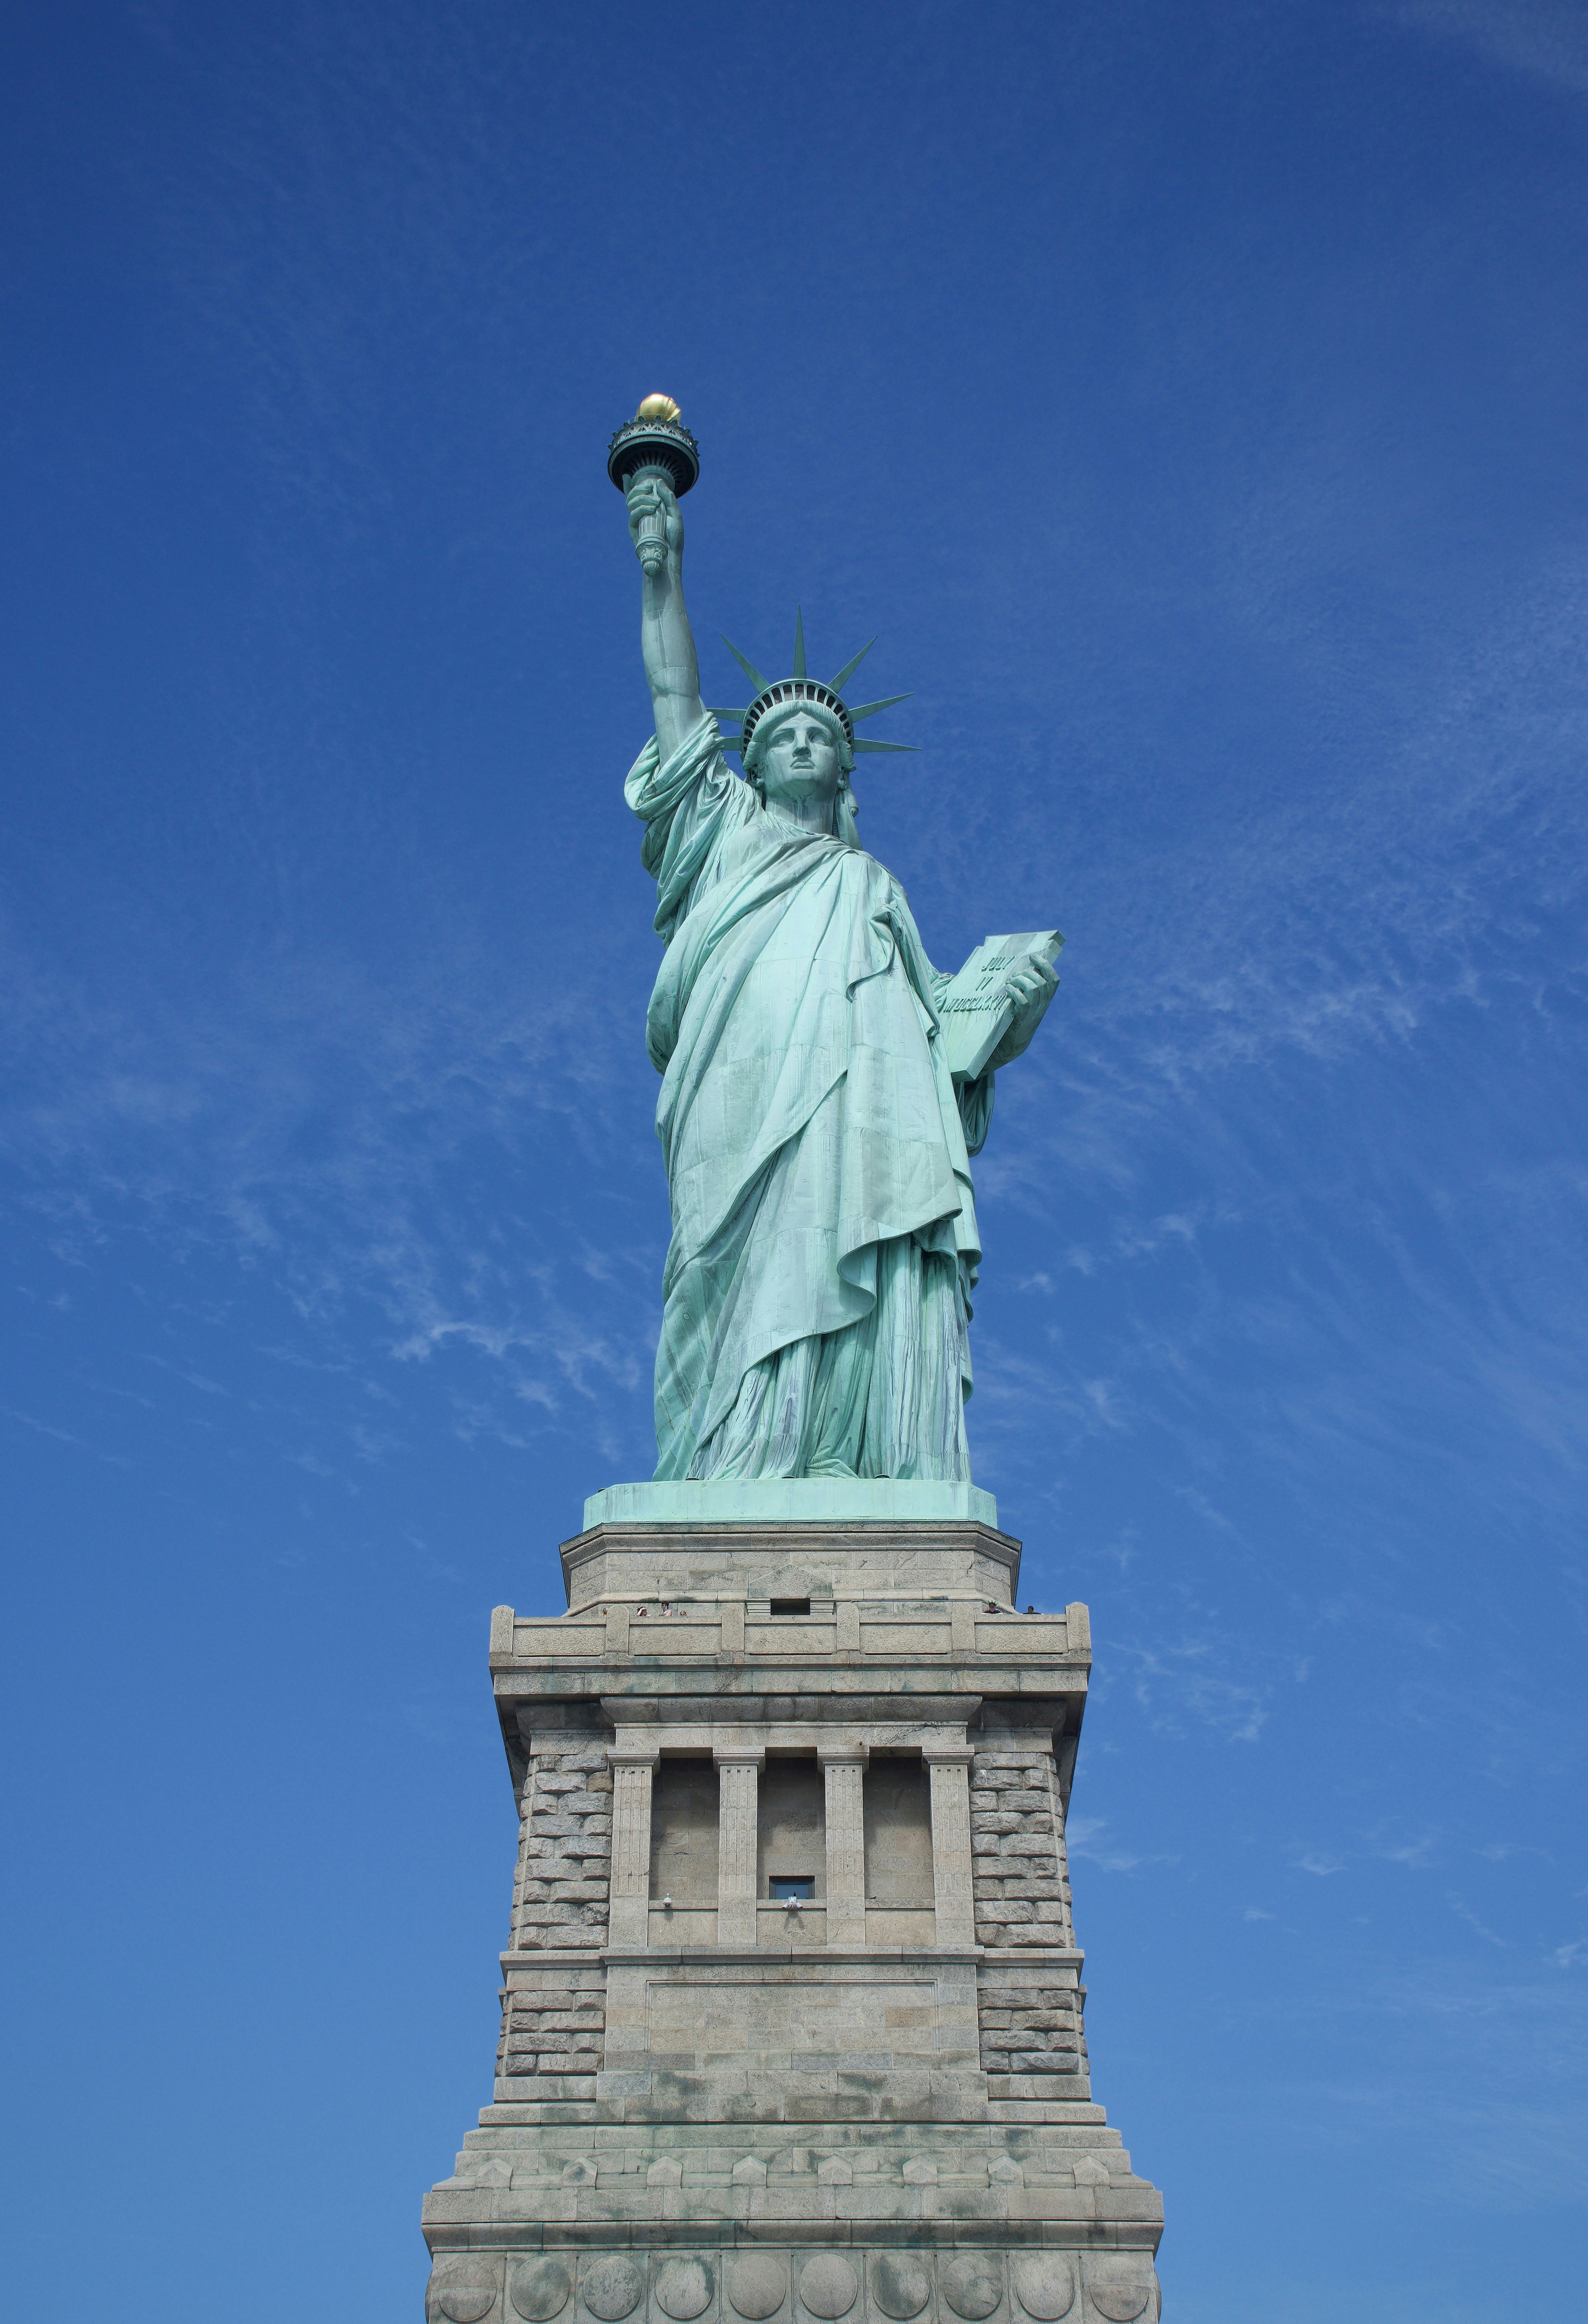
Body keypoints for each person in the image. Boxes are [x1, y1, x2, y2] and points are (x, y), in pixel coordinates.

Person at [621, 474, 1057, 1483]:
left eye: (819, 735)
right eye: (778, 737)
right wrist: (663, 569)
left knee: (852, 1233)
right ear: (756, 767)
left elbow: (935, 1026)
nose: (802, 741)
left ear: (841, 772)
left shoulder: (869, 882)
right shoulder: (722, 834)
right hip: (739, 1090)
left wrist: (1002, 1006)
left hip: (864, 1105)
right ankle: (736, 1456)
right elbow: (672, 697)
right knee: (733, 1261)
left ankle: (841, 1451)